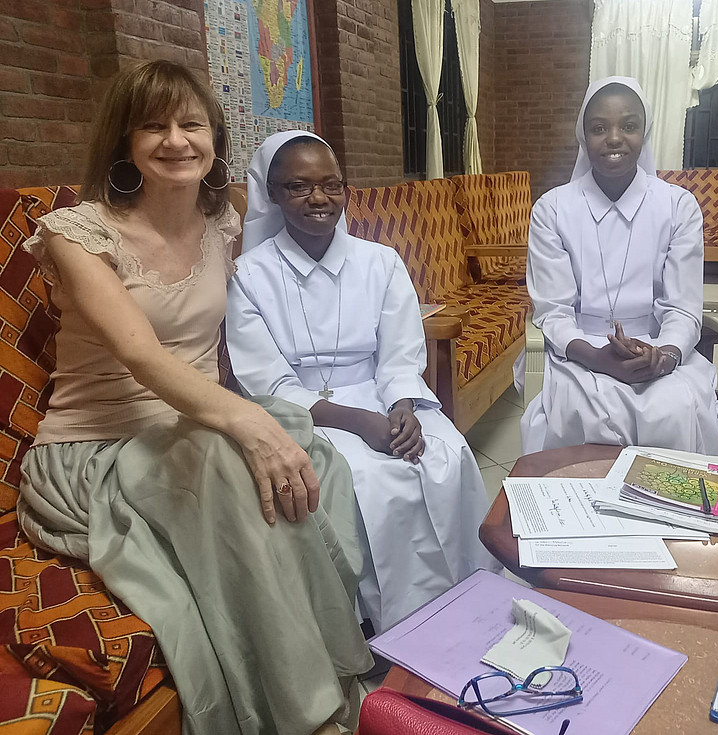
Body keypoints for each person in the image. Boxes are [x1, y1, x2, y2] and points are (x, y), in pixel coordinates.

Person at [16, 61, 372, 734]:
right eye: (153, 125)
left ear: (215, 140)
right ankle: (307, 715)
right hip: (99, 448)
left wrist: (270, 414)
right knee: (237, 460)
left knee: (308, 446)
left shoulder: (223, 222)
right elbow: (142, 354)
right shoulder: (76, 232)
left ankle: (336, 664)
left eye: (192, 124)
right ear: (125, 142)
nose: (176, 140)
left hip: (190, 428)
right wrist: (245, 422)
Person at [225, 131, 500, 634]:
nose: (318, 198)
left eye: (331, 185)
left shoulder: (381, 261)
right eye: (299, 186)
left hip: (381, 392)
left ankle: (465, 597)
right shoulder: (248, 275)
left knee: (446, 454)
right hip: (302, 412)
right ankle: (380, 625)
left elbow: (399, 353)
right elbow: (268, 379)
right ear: (273, 194)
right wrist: (358, 422)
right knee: (363, 478)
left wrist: (402, 406)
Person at [520, 76, 718, 458]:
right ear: (583, 136)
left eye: (628, 126)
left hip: (657, 346)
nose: (613, 138)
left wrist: (666, 356)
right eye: (598, 128)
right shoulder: (553, 209)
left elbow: (683, 307)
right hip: (579, 350)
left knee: (675, 407)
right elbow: (553, 311)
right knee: (581, 409)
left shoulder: (678, 206)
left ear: (645, 132)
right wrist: (596, 357)